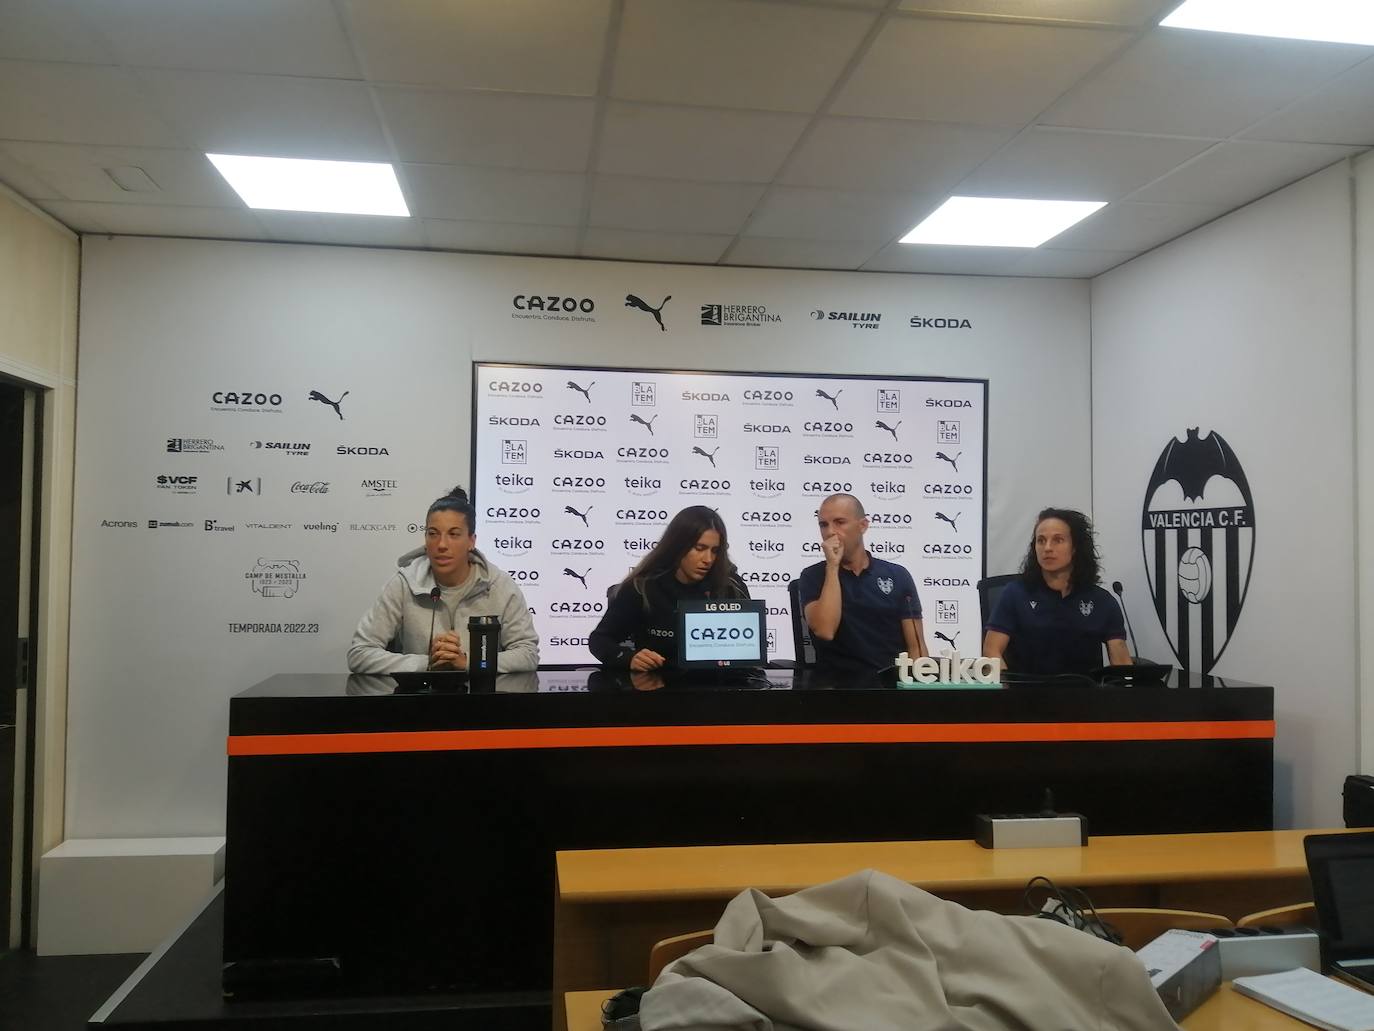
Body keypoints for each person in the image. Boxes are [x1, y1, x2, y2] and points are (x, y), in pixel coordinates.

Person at [347, 486, 539, 674]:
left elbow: (527, 653)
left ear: (471, 541)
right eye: (433, 534)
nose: (441, 544)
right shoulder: (404, 584)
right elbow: (360, 654)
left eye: (454, 534)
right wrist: (427, 664)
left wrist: (468, 662)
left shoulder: (499, 585)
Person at [588, 505, 748, 671]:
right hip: (660, 688)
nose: (708, 559)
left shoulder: (731, 587)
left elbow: (750, 651)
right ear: (678, 546)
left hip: (721, 688)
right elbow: (600, 640)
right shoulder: (642, 588)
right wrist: (629, 658)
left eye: (714, 551)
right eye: (699, 549)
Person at [983, 507, 1131, 675]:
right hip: (1025, 696)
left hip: (1086, 697)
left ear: (1075, 547)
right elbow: (991, 652)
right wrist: (1007, 692)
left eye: (1058, 540)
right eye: (1041, 540)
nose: (1047, 548)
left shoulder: (1102, 600)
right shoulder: (1015, 594)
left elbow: (1121, 661)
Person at [797, 493, 927, 674]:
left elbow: (917, 648)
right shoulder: (813, 576)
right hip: (836, 689)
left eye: (839, 522)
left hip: (890, 686)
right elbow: (825, 630)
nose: (830, 532)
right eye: (823, 524)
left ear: (863, 526)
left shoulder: (897, 575)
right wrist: (832, 567)